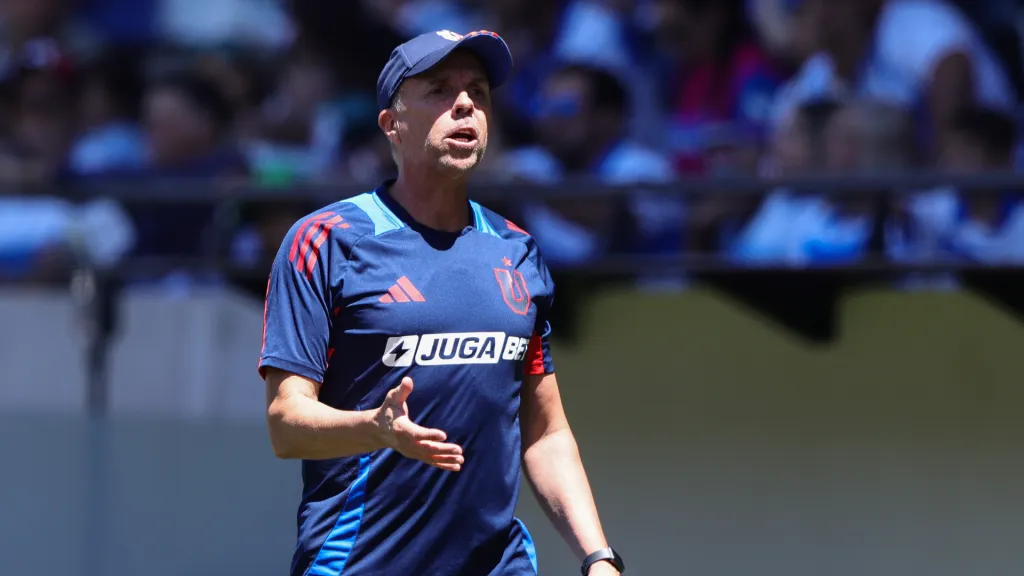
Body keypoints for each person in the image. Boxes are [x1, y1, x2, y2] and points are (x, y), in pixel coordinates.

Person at [258, 30, 625, 576]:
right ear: (391, 124)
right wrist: (374, 428)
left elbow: (546, 434)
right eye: (438, 89)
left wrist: (599, 557)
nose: (464, 104)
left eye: (477, 90)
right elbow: (286, 423)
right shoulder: (325, 241)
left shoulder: (517, 252)